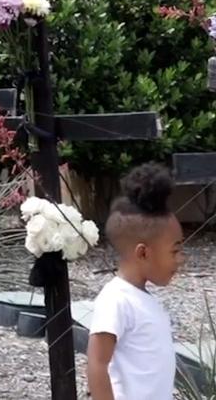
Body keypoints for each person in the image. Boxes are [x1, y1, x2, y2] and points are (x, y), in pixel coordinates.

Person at [87, 163, 186, 400]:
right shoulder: (116, 300)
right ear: (143, 253)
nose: (180, 260)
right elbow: (97, 364)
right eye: (175, 251)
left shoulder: (143, 299)